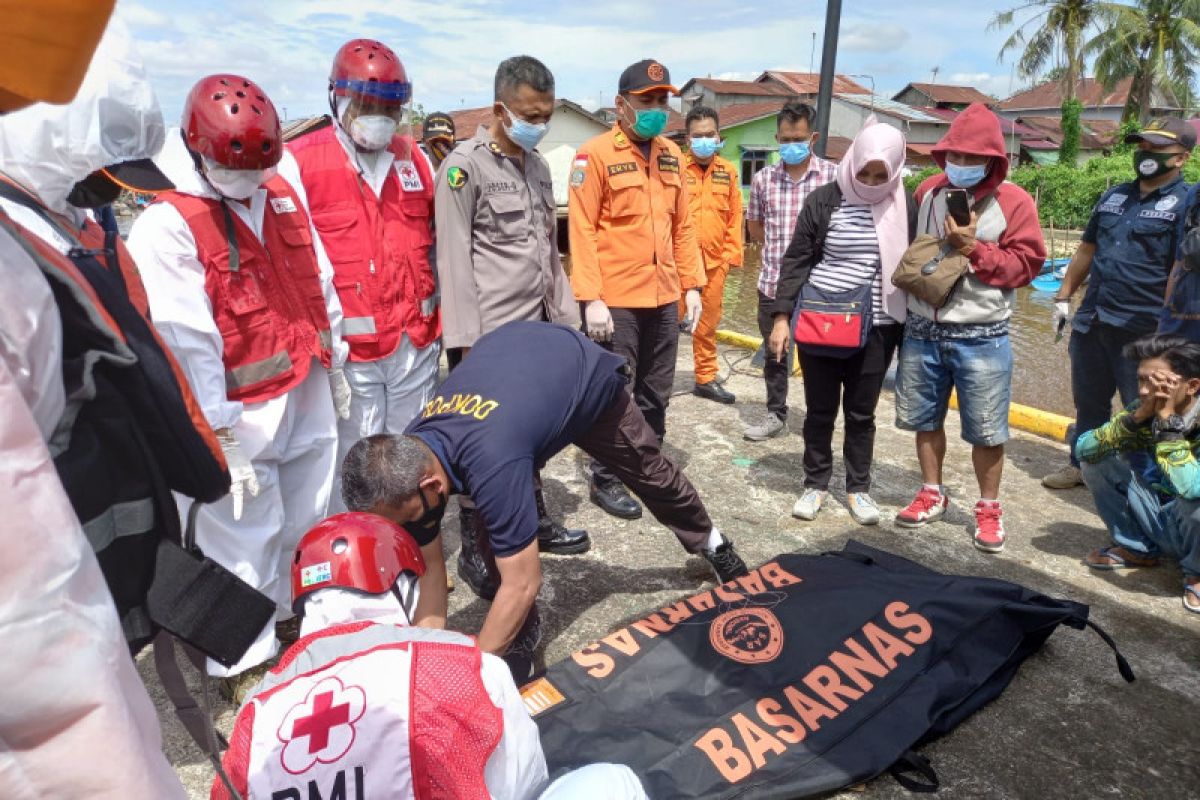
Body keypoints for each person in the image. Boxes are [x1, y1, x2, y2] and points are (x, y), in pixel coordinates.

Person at [0, 5, 190, 796]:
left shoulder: (56, 234)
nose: (99, 198)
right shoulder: (22, 264)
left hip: (99, 570)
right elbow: (38, 659)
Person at [0, 17, 234, 651]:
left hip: (115, 541)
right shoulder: (19, 251)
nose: (107, 183)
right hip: (46, 593)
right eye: (100, 165)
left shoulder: (80, 227)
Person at [340, 321, 749, 681]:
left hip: (577, 374)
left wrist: (473, 676)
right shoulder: (410, 454)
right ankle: (521, 635)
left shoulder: (490, 461)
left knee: (650, 473)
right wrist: (422, 657)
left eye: (406, 520)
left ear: (430, 484)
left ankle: (713, 542)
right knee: (493, 533)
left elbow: (523, 582)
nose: (407, 530)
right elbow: (430, 567)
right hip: (516, 388)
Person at [128, 74, 344, 698]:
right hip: (237, 410)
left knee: (309, 515)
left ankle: (293, 624)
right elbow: (185, 340)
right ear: (198, 150)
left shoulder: (278, 195)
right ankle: (243, 665)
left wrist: (340, 360)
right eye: (236, 167)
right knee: (242, 535)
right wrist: (218, 432)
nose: (251, 179)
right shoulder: (168, 225)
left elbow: (317, 277)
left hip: (304, 382)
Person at [213, 512, 648, 799]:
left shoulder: (256, 713)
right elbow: (523, 781)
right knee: (613, 782)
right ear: (401, 587)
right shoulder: (462, 663)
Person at [435, 55, 587, 597]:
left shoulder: (539, 167)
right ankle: (477, 545)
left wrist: (570, 325)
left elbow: (550, 254)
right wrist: (465, 350)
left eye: (545, 114)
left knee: (535, 435)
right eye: (530, 113)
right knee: (486, 446)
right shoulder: (463, 167)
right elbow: (453, 261)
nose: (539, 123)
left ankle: (534, 520)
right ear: (501, 108)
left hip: (540, 330)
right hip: (490, 340)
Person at [281, 38, 439, 515]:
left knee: (410, 459)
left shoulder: (416, 160)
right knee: (354, 465)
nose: (381, 117)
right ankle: (356, 557)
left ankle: (411, 548)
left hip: (414, 343)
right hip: (350, 355)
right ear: (339, 100)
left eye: (391, 107)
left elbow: (433, 243)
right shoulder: (301, 163)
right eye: (369, 105)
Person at [893, 103, 1046, 553]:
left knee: (987, 429)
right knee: (924, 420)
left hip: (982, 333)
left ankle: (988, 506)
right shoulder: (927, 191)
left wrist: (974, 249)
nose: (960, 165)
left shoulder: (1013, 201)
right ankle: (930, 491)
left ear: (993, 161)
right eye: (953, 156)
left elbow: (1025, 267)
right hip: (923, 328)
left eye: (970, 158)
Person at [569, 58, 705, 521]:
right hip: (618, 300)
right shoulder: (595, 155)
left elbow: (683, 225)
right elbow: (582, 230)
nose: (657, 108)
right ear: (621, 105)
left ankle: (648, 468)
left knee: (656, 391)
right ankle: (606, 477)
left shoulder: (671, 153)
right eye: (648, 100)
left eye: (663, 100)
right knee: (615, 392)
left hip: (664, 296)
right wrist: (591, 298)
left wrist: (693, 286)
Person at [768, 119, 914, 525]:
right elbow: (796, 259)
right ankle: (815, 484)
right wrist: (782, 316)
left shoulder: (906, 204)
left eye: (879, 174)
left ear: (895, 169)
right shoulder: (824, 201)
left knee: (861, 413)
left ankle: (858, 489)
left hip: (880, 327)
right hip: (824, 320)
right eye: (863, 171)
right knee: (819, 410)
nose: (869, 181)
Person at [1043, 117, 1193, 490]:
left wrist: (1168, 333)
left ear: (1182, 158)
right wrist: (1063, 297)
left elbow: (1181, 267)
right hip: (1093, 320)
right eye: (1142, 146)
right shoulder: (1114, 197)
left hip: (1144, 330)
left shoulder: (1186, 203)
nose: (1146, 154)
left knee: (1146, 409)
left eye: (1158, 148)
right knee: (1089, 404)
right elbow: (1086, 250)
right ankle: (1082, 465)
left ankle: (1146, 488)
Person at [1078, 335, 1200, 614]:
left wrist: (1169, 426)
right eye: (1141, 380)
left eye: (1156, 383)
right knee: (1097, 461)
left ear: (1192, 385)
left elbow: (1191, 489)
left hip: (1191, 512)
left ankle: (1197, 572)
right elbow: (1084, 450)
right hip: (1166, 515)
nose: (1145, 391)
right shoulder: (1143, 410)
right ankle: (1138, 548)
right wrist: (1134, 419)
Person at [744, 101, 838, 441]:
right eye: (785, 139)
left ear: (812, 137)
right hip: (773, 282)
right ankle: (775, 413)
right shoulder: (763, 179)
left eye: (798, 138)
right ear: (777, 138)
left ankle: (819, 419)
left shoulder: (834, 177)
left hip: (821, 287)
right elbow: (754, 228)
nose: (791, 145)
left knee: (821, 359)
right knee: (775, 354)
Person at [681, 105, 743, 404]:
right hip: (679, 264)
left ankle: (705, 378)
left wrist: (730, 259)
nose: (704, 140)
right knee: (665, 324)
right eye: (698, 135)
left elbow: (734, 218)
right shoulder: (676, 169)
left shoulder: (728, 172)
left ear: (719, 136)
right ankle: (654, 378)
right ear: (687, 138)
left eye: (709, 134)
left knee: (707, 325)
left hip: (715, 263)